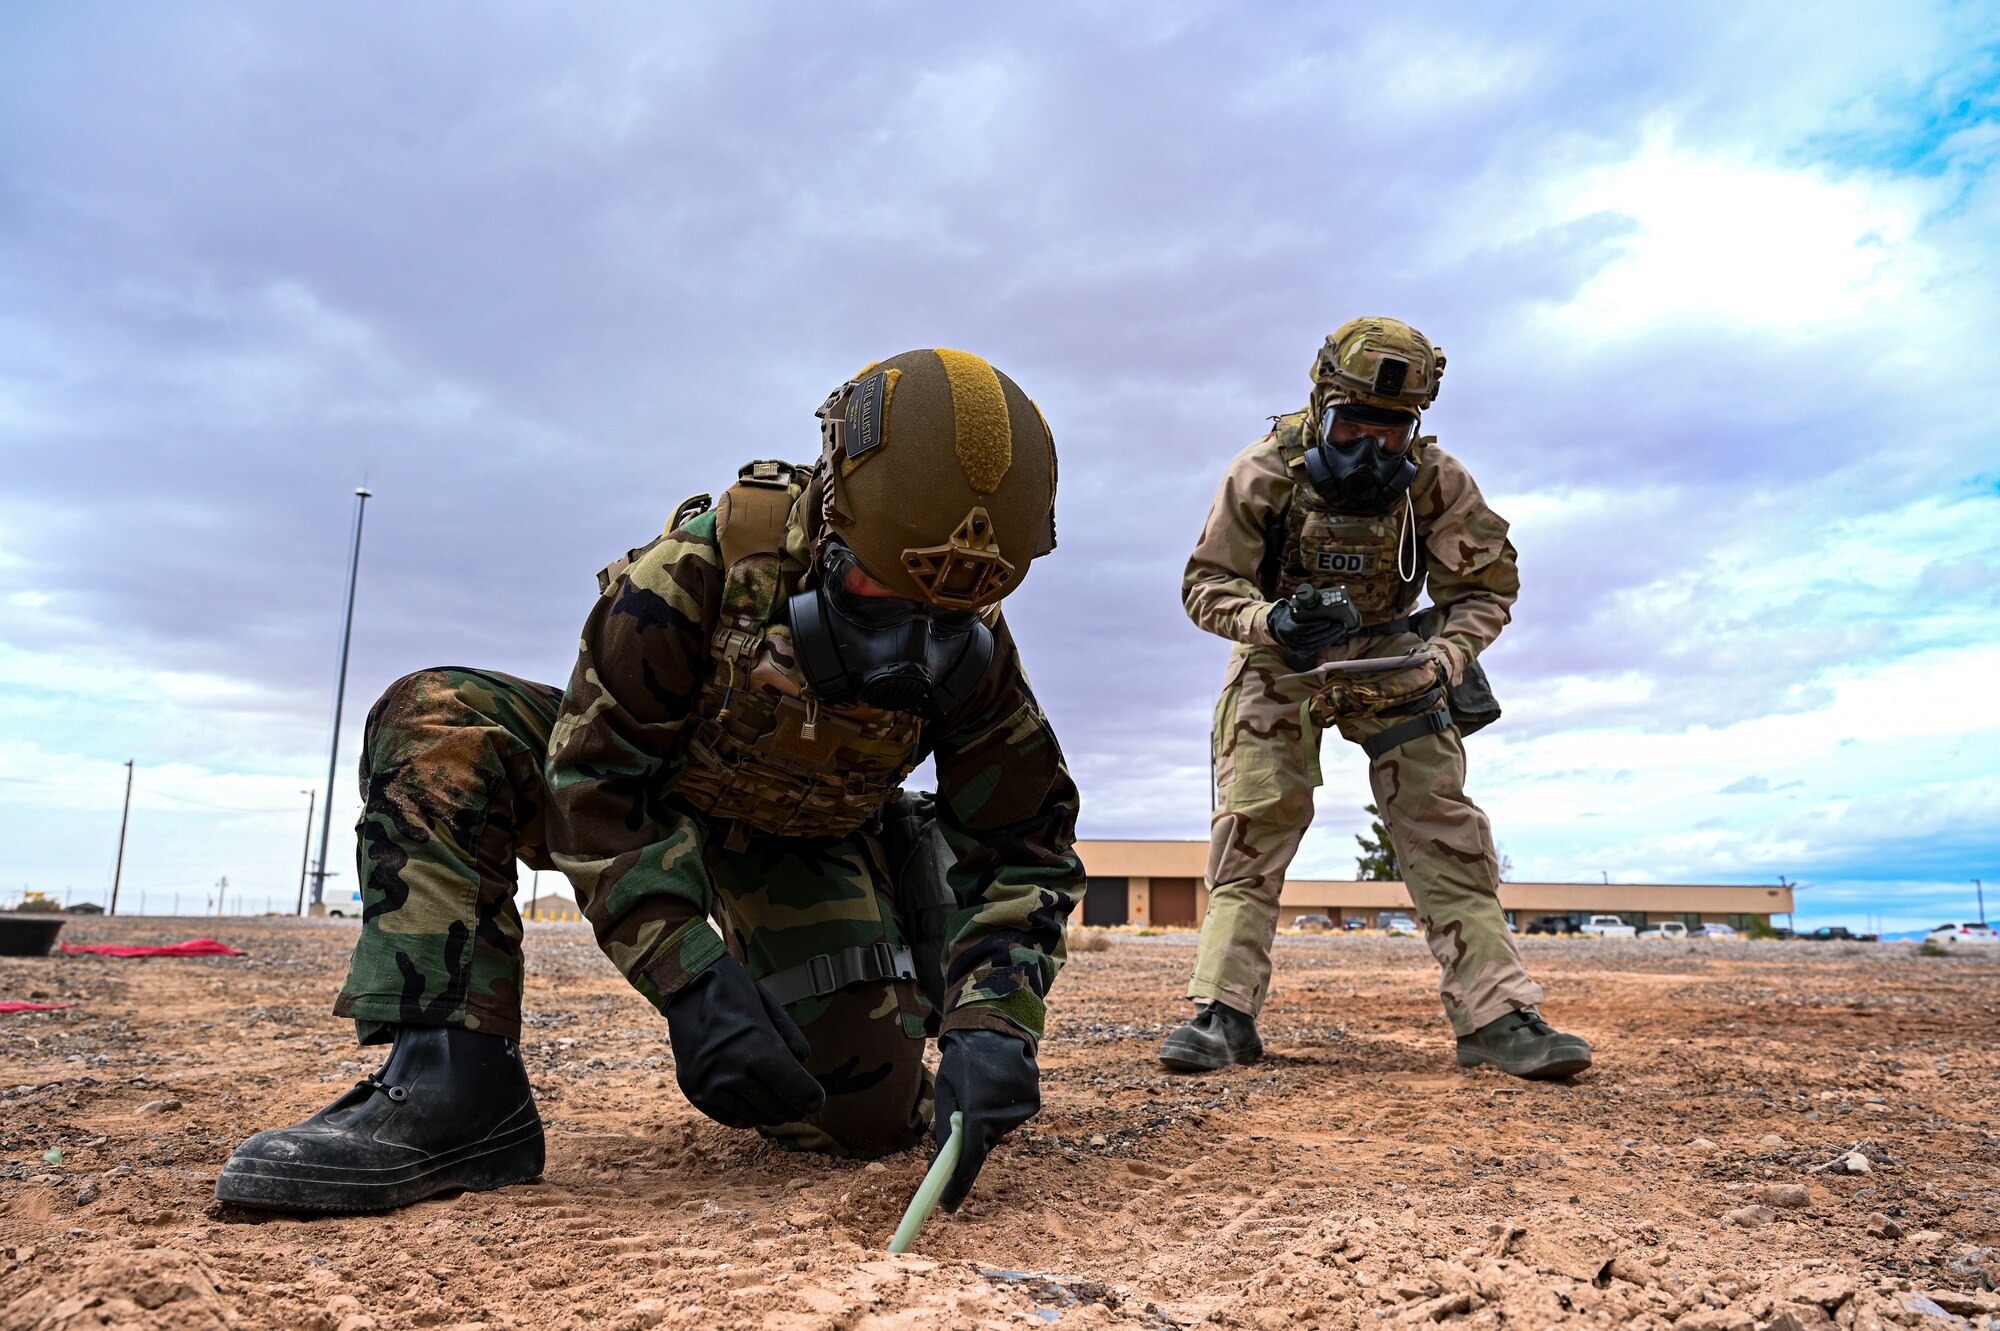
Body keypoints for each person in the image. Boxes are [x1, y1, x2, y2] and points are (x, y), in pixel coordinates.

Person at [218, 349, 1083, 1213]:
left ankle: (890, 889)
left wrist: (994, 1018)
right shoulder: (695, 574)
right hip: (650, 790)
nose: (914, 649)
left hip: (806, 833)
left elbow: (1025, 839)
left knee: (862, 1112)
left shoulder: (978, 652)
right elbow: (595, 779)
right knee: (437, 721)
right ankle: (451, 1084)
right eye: (878, 596)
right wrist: (694, 977)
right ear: (831, 521)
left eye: (948, 619)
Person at [1159, 318, 1592, 1079]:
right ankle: (1223, 1013)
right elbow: (1205, 584)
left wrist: (1447, 658)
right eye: (1351, 425)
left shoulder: (1436, 481)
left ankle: (1495, 1015)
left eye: (1390, 433)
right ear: (1320, 402)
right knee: (1255, 823)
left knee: (1442, 826)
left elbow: (1486, 589)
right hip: (1280, 658)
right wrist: (1270, 618)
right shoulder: (1263, 471)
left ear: (1414, 426)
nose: (1370, 448)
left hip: (1395, 655)